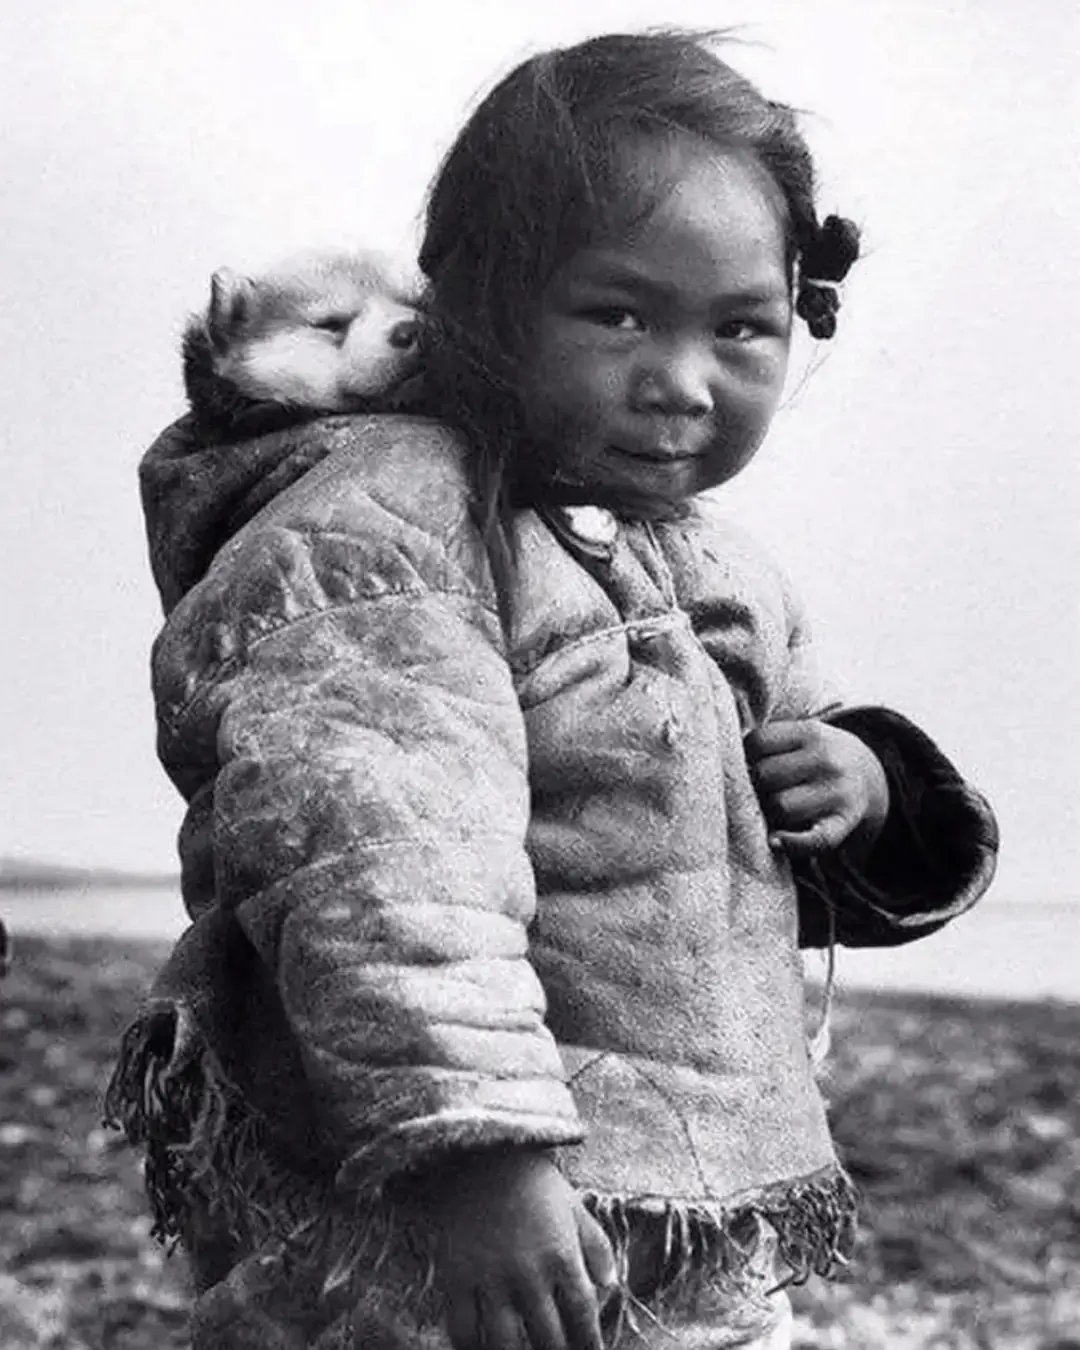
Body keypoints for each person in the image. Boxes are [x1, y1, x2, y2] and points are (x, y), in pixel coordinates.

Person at [106, 29, 998, 1350]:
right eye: (621, 314)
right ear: (480, 306)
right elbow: (377, 859)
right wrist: (477, 1158)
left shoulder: (716, 564)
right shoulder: (390, 529)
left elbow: (761, 836)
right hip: (428, 1213)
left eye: (742, 326)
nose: (684, 382)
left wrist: (865, 793)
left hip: (685, 1194)